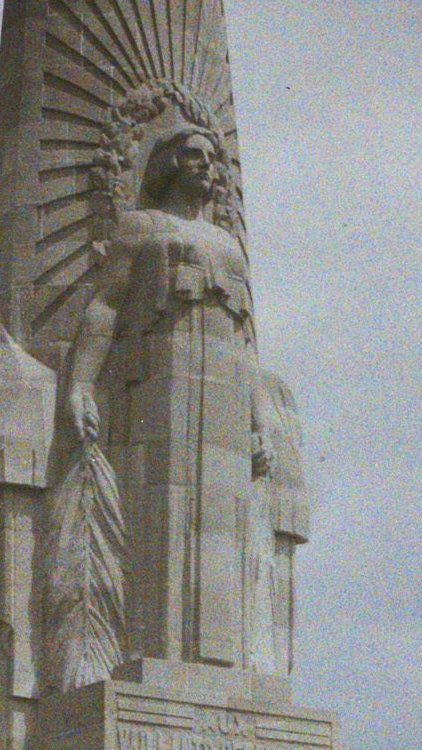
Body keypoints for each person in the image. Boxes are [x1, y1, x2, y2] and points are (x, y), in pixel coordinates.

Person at [62, 124, 280, 670]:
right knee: (160, 508)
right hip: (160, 381)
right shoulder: (141, 227)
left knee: (222, 520)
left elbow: (246, 340)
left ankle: (226, 662)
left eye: (213, 157)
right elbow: (106, 306)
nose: (206, 165)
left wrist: (262, 421)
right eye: (193, 155)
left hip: (226, 399)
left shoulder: (230, 246)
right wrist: (80, 383)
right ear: (167, 165)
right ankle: (152, 651)